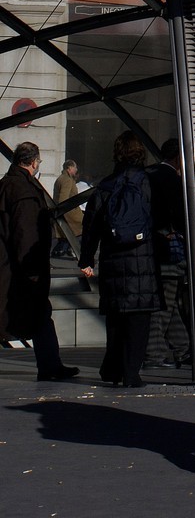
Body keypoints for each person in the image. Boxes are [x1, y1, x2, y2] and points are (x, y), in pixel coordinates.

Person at [79, 131, 162, 388]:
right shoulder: (148, 183)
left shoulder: (105, 186)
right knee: (138, 320)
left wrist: (86, 258)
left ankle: (112, 369)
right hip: (143, 260)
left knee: (115, 319)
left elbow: (91, 226)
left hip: (113, 259)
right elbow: (158, 219)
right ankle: (131, 373)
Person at [0, 142, 79, 381]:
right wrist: (32, 267)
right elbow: (26, 232)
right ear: (34, 162)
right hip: (21, 268)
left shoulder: (7, 184)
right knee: (36, 314)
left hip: (12, 265)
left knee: (40, 315)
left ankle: (51, 365)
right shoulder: (22, 189)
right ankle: (50, 366)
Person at [146, 138, 190, 367]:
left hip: (154, 248)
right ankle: (154, 354)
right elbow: (180, 216)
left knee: (170, 305)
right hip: (169, 251)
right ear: (178, 158)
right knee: (163, 306)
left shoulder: (151, 175)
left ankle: (183, 349)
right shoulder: (172, 178)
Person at [52, 159, 83, 258]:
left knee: (66, 235)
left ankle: (61, 250)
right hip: (71, 213)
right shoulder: (67, 180)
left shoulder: (61, 178)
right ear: (69, 168)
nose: (76, 170)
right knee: (85, 227)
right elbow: (63, 199)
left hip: (66, 212)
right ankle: (73, 249)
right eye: (75, 167)